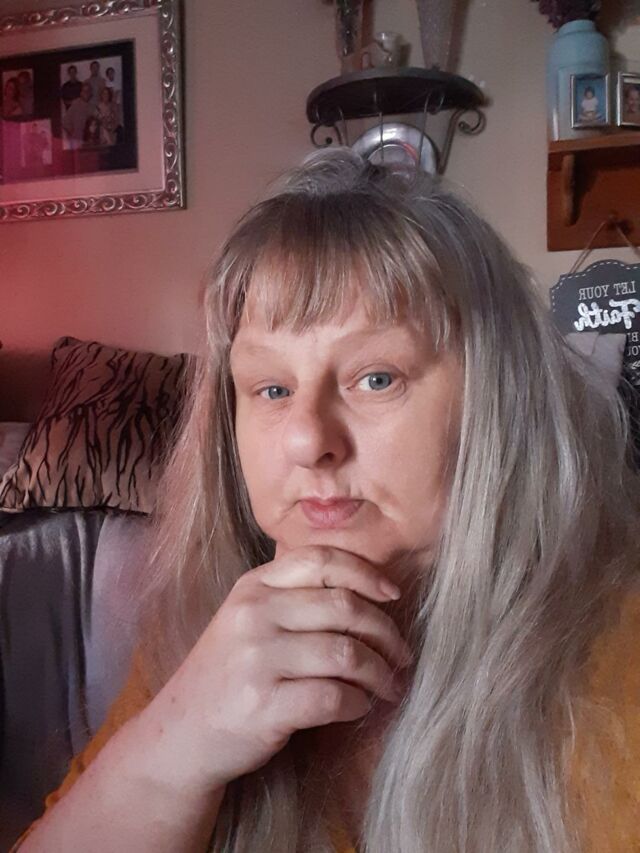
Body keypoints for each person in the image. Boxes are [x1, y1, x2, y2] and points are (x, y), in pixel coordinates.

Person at [12, 150, 640, 853]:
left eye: (377, 378)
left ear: (496, 400)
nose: (308, 440)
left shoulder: (616, 665)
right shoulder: (208, 632)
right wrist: (178, 742)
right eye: (272, 389)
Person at [62, 83, 95, 150]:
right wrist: (72, 133)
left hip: (85, 142)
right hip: (75, 142)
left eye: (88, 91)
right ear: (81, 93)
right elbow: (64, 122)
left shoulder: (91, 107)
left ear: (91, 94)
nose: (86, 93)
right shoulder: (76, 103)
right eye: (84, 91)